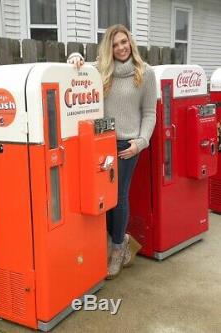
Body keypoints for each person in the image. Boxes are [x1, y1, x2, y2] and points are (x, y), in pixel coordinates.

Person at [67, 24, 157, 279]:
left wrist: (141, 142)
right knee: (100, 198)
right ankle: (121, 238)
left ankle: (117, 248)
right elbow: (77, 74)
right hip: (101, 142)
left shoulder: (145, 73)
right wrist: (74, 59)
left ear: (131, 43)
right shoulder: (100, 70)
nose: (120, 48)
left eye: (124, 42)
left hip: (128, 145)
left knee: (118, 196)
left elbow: (149, 112)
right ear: (109, 47)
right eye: (115, 44)